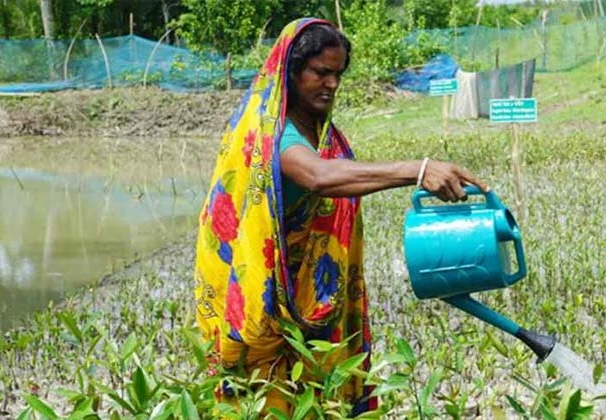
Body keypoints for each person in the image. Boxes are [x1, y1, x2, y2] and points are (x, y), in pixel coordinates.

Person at [194, 18, 487, 415]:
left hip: (315, 292)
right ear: (291, 72)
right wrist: (417, 170)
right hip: (270, 301)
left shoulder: (321, 132)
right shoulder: (273, 137)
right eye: (320, 72)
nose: (331, 84)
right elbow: (317, 176)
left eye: (337, 74)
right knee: (266, 400)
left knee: (318, 393)